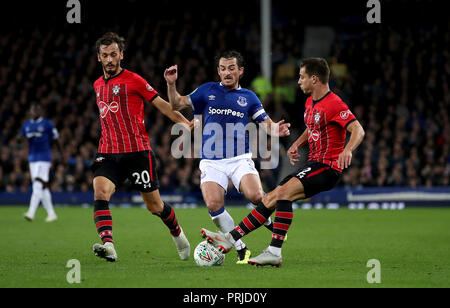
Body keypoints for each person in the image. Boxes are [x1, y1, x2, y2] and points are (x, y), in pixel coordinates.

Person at [200, 58, 365, 267]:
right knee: (272, 198)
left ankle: (230, 239)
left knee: (281, 193)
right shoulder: (310, 102)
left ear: (314, 79)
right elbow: (313, 127)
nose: (298, 82)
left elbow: (358, 129)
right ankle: (273, 251)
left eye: (302, 77)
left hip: (327, 167)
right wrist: (297, 142)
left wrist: (348, 150)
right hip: (313, 164)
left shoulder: (335, 103)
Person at [164, 50, 291, 264]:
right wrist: (170, 84)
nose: (227, 72)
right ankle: (241, 248)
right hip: (211, 160)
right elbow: (177, 104)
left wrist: (276, 129)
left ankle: (270, 223)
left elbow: (265, 122)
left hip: (240, 158)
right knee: (213, 204)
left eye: (231, 68)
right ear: (218, 71)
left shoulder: (249, 97)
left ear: (240, 70)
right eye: (222, 68)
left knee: (256, 197)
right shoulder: (207, 91)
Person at [91, 32, 193, 262]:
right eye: (105, 55)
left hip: (137, 152)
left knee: (155, 206)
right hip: (107, 152)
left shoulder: (135, 80)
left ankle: (178, 234)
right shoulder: (97, 84)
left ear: (121, 55)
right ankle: (109, 244)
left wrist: (185, 123)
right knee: (100, 192)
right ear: (99, 57)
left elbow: (163, 106)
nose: (109, 59)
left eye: (113, 54)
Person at [20, 103, 60, 222]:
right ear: (30, 112)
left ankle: (31, 213)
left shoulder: (47, 123)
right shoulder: (26, 125)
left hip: (44, 158)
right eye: (33, 110)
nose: (35, 112)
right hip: (32, 158)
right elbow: (21, 138)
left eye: (37, 109)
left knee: (37, 184)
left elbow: (56, 139)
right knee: (42, 187)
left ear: (40, 111)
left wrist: (61, 154)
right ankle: (52, 214)